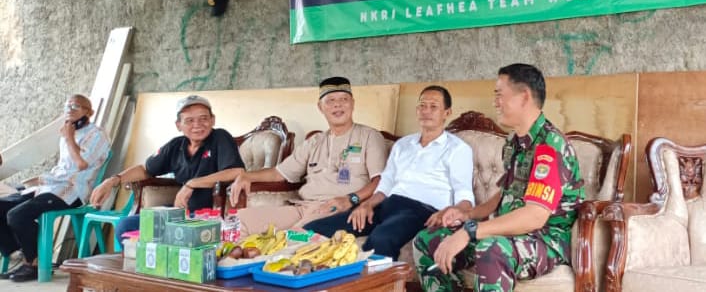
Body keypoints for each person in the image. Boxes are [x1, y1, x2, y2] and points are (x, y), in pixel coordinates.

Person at [413, 64, 585, 292]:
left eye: (499, 94)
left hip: (544, 240)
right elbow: (505, 193)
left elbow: (534, 217)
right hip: (508, 233)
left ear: (524, 97)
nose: (495, 102)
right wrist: (468, 215)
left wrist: (471, 231)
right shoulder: (515, 142)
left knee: (492, 248)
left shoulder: (548, 147)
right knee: (427, 239)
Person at [304, 85, 475, 260]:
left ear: (447, 112)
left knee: (381, 239)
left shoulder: (457, 149)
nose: (426, 111)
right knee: (314, 230)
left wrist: (452, 211)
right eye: (422, 106)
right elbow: (386, 184)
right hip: (388, 205)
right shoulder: (403, 144)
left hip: (421, 212)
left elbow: (465, 195)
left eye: (434, 106)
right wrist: (367, 204)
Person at [217, 76, 387, 236]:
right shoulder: (315, 141)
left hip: (339, 209)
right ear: (321, 107)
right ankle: (238, 266)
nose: (338, 105)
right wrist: (247, 176)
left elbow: (380, 181)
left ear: (353, 104)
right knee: (238, 222)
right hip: (302, 207)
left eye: (344, 99)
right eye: (331, 101)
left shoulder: (369, 136)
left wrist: (351, 199)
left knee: (296, 237)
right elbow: (279, 173)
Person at [89, 95, 244, 239]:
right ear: (178, 125)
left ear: (212, 120)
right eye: (189, 120)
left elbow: (236, 171)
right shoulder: (176, 145)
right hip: (181, 214)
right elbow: (145, 170)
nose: (197, 125)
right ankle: (145, 268)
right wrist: (112, 181)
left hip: (212, 216)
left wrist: (192, 183)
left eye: (203, 118)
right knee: (126, 226)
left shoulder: (220, 137)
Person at [0, 94, 111, 282]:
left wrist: (69, 138)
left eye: (75, 107)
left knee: (17, 215)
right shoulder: (69, 133)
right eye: (67, 107)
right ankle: (24, 254)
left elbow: (81, 165)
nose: (70, 111)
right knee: (3, 207)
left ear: (89, 112)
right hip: (51, 186)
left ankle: (34, 264)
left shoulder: (97, 135)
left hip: (72, 191)